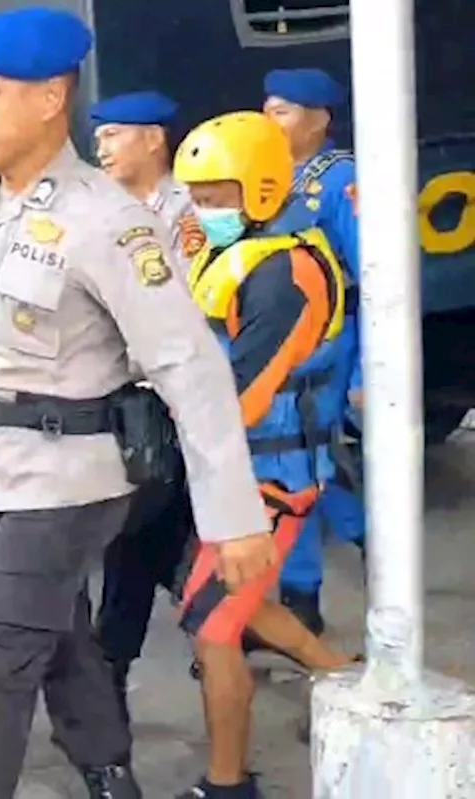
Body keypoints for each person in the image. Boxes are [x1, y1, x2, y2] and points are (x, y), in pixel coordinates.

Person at [0, 9, 273, 798]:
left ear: (51, 98)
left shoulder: (108, 220)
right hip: (6, 470)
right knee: (57, 628)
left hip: (78, 477)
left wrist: (233, 515)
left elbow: (190, 366)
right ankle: (108, 769)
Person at [173, 110, 358, 799]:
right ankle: (342, 676)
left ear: (260, 188)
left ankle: (227, 784)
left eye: (217, 196)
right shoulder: (242, 253)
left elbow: (240, 397)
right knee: (235, 609)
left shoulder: (286, 274)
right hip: (237, 473)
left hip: (267, 479)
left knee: (214, 629)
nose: (204, 210)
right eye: (196, 194)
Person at [88, 89, 204, 717]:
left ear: (153, 140)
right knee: (139, 549)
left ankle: (231, 638)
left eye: (113, 136)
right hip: (119, 412)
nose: (101, 147)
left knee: (144, 547)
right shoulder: (101, 210)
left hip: (167, 410)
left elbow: (183, 313)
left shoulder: (185, 214)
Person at [262, 68, 365, 637]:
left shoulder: (340, 180)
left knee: (298, 460)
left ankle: (301, 599)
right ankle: (369, 535)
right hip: (285, 341)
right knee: (307, 461)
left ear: (319, 119)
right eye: (268, 108)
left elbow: (374, 273)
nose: (269, 119)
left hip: (330, 340)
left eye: (283, 111)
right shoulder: (274, 176)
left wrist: (370, 367)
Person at [92, 90, 206, 275]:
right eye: (99, 141)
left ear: (154, 139)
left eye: (111, 135)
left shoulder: (189, 204)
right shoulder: (99, 206)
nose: (101, 153)